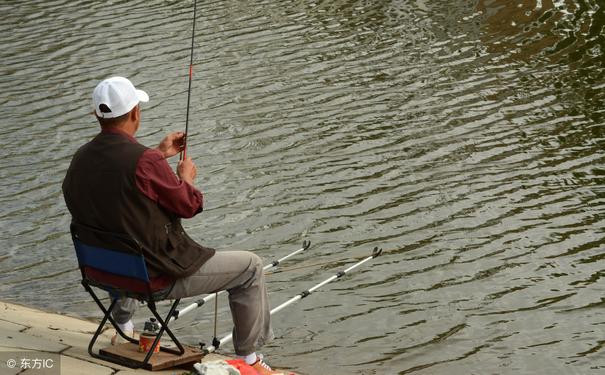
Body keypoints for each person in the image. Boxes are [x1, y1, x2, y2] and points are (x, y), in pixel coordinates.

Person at [62, 76, 281, 375]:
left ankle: (123, 325)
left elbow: (118, 183)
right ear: (136, 112)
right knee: (250, 268)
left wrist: (158, 156)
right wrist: (185, 177)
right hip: (152, 279)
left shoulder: (81, 158)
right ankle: (250, 361)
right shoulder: (145, 162)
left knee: (116, 234)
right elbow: (190, 205)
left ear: (97, 115)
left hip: (103, 272)